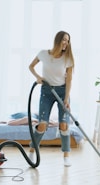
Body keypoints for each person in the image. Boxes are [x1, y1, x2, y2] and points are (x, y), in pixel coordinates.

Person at [28, 31, 75, 167]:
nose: (66, 43)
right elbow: (31, 66)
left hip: (62, 92)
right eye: (64, 40)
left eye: (68, 41)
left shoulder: (67, 58)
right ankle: (32, 150)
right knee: (42, 124)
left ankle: (66, 155)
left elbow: (69, 80)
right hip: (47, 92)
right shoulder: (43, 54)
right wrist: (38, 77)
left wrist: (66, 99)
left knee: (64, 125)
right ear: (58, 40)